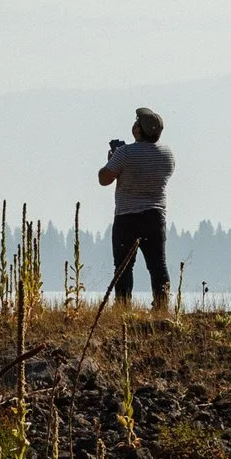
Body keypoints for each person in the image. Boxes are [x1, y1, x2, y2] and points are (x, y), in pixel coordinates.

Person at [99, 108, 174, 313]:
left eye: (136, 122)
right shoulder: (167, 154)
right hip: (155, 216)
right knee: (157, 265)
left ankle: (123, 309)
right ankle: (161, 308)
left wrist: (111, 159)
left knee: (123, 267)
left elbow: (104, 178)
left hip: (127, 217)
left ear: (139, 130)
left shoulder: (124, 153)